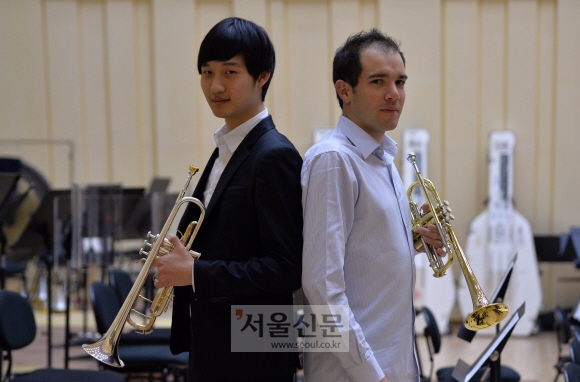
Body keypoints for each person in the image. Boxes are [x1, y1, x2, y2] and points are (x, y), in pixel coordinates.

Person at [152, 17, 303, 382]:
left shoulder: (274, 155)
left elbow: (287, 267)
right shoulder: (226, 150)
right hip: (217, 341)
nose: (215, 85)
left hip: (253, 352)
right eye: (206, 72)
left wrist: (195, 272)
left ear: (262, 76)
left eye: (230, 72)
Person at [301, 29, 444, 382]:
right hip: (356, 372)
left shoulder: (382, 158)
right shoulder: (335, 160)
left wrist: (416, 243)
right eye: (378, 81)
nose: (394, 94)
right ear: (344, 90)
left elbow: (364, 253)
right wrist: (370, 375)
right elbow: (321, 286)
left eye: (400, 82)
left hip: (393, 362)